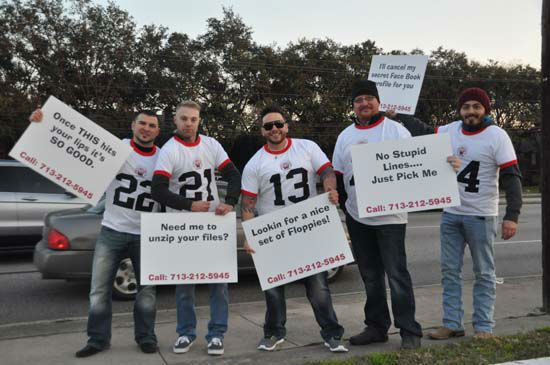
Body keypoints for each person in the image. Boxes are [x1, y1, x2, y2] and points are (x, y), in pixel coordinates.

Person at [332, 80, 459, 350]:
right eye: (358, 100)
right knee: (370, 276)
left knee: (396, 274)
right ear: (353, 106)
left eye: (369, 98)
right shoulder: (345, 136)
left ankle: (409, 330)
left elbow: (417, 162)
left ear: (378, 102)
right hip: (358, 217)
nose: (364, 104)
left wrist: (446, 165)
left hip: (390, 219)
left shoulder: (396, 130)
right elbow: (339, 174)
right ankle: (376, 327)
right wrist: (343, 206)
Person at [30, 108, 162, 357]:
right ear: (133, 125)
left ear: (158, 131)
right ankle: (98, 339)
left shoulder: (164, 158)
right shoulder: (115, 149)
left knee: (147, 291)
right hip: (112, 230)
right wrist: (42, 125)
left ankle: (146, 337)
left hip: (147, 234)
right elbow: (69, 150)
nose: (146, 128)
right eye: (142, 123)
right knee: (99, 289)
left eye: (152, 125)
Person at [400, 88, 522, 340]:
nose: (471, 111)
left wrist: (512, 215)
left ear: (485, 110)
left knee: (485, 273)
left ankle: (484, 327)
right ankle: (453, 323)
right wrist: (399, 113)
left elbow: (512, 177)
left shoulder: (497, 136)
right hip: (451, 214)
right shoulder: (451, 130)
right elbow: (422, 131)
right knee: (449, 271)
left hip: (481, 215)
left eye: (477, 106)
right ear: (460, 110)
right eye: (466, 107)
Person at [240, 105, 348, 353]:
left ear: (287, 125)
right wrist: (248, 235)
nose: (274, 129)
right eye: (268, 126)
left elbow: (327, 171)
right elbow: (248, 203)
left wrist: (330, 188)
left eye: (278, 124)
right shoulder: (255, 163)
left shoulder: (307, 147)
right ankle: (273, 333)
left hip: (307, 228)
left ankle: (332, 333)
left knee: (318, 287)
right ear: (262, 131)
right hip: (273, 232)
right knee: (274, 291)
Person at [150, 100, 241, 356]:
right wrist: (189, 205)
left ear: (199, 120)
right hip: (182, 225)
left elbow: (234, 175)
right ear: (175, 121)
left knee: (218, 283)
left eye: (193, 119)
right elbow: (157, 190)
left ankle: (216, 334)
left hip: (212, 224)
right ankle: (186, 333)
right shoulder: (169, 150)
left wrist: (230, 202)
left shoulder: (211, 145)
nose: (189, 123)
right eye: (184, 119)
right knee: (184, 286)